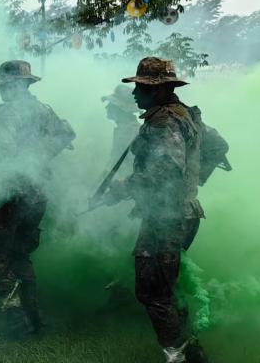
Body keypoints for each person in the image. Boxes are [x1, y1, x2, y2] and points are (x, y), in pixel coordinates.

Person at [102, 57, 208, 363]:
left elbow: (164, 171)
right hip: (178, 213)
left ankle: (180, 355)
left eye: (142, 87)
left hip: (168, 218)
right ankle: (192, 351)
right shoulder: (182, 114)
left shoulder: (164, 121)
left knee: (152, 291)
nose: (135, 93)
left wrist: (121, 190)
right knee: (166, 287)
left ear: (160, 90)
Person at [0, 60, 75, 339]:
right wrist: (40, 156)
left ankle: (16, 319)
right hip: (38, 192)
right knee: (19, 253)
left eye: (6, 85)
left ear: (17, 85)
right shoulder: (44, 110)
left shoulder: (7, 115)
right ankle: (35, 318)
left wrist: (20, 161)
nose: (3, 90)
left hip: (12, 192)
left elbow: (0, 152)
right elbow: (67, 134)